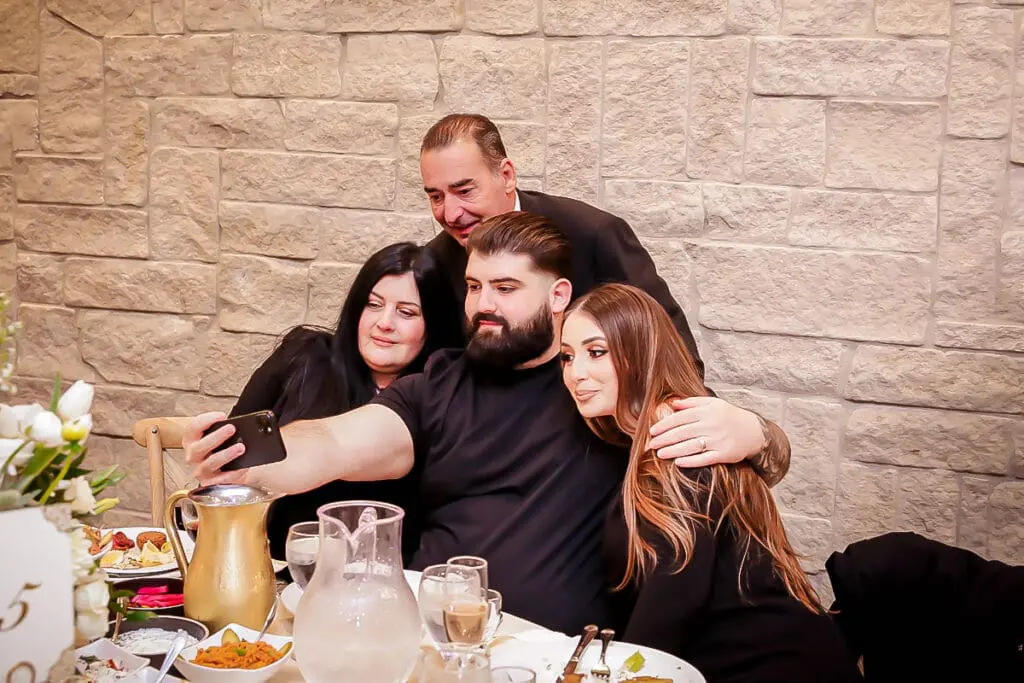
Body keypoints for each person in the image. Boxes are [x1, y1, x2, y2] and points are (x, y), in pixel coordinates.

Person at [185, 212, 791, 635]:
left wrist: (760, 433)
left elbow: (716, 451)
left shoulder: (598, 386)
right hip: (425, 636)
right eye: (474, 286)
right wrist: (247, 459)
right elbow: (338, 440)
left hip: (547, 653)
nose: (483, 305)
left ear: (557, 297)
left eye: (505, 287)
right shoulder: (440, 384)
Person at [559, 283, 860, 682]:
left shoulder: (677, 445)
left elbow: (670, 609)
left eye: (596, 352)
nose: (576, 373)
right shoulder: (647, 438)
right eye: (567, 356)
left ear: (641, 353)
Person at [420, 113, 704, 380]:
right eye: (436, 197)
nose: (450, 213)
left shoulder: (593, 234)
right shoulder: (434, 264)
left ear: (506, 176)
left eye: (465, 191)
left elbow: (671, 351)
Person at [228, 242, 462, 561]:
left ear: (433, 325)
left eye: (406, 312)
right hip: (279, 567)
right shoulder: (303, 358)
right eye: (373, 305)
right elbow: (232, 456)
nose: (384, 323)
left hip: (390, 578)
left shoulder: (442, 395)